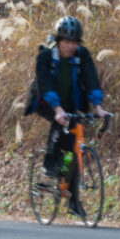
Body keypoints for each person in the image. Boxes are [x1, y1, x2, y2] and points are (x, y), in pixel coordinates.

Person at [28, 15, 108, 217]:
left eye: (73, 42)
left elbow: (91, 80)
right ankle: (48, 163)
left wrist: (98, 107)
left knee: (74, 146)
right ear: (58, 40)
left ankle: (73, 202)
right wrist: (57, 110)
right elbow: (44, 84)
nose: (70, 46)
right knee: (60, 124)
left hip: (71, 102)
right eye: (66, 41)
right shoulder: (46, 56)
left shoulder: (82, 55)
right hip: (45, 101)